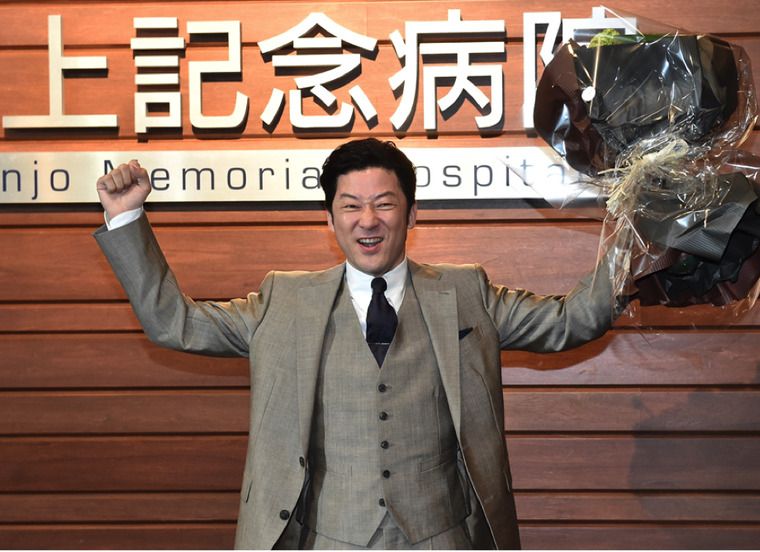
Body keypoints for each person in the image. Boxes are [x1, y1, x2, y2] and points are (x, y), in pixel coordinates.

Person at [94, 138, 620, 550]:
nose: (368, 220)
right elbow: (175, 323)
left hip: (443, 537)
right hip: (326, 538)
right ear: (330, 220)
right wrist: (126, 216)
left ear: (412, 214)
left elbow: (572, 320)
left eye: (385, 204)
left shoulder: (466, 292)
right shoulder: (284, 300)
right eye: (350, 206)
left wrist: (642, 226)